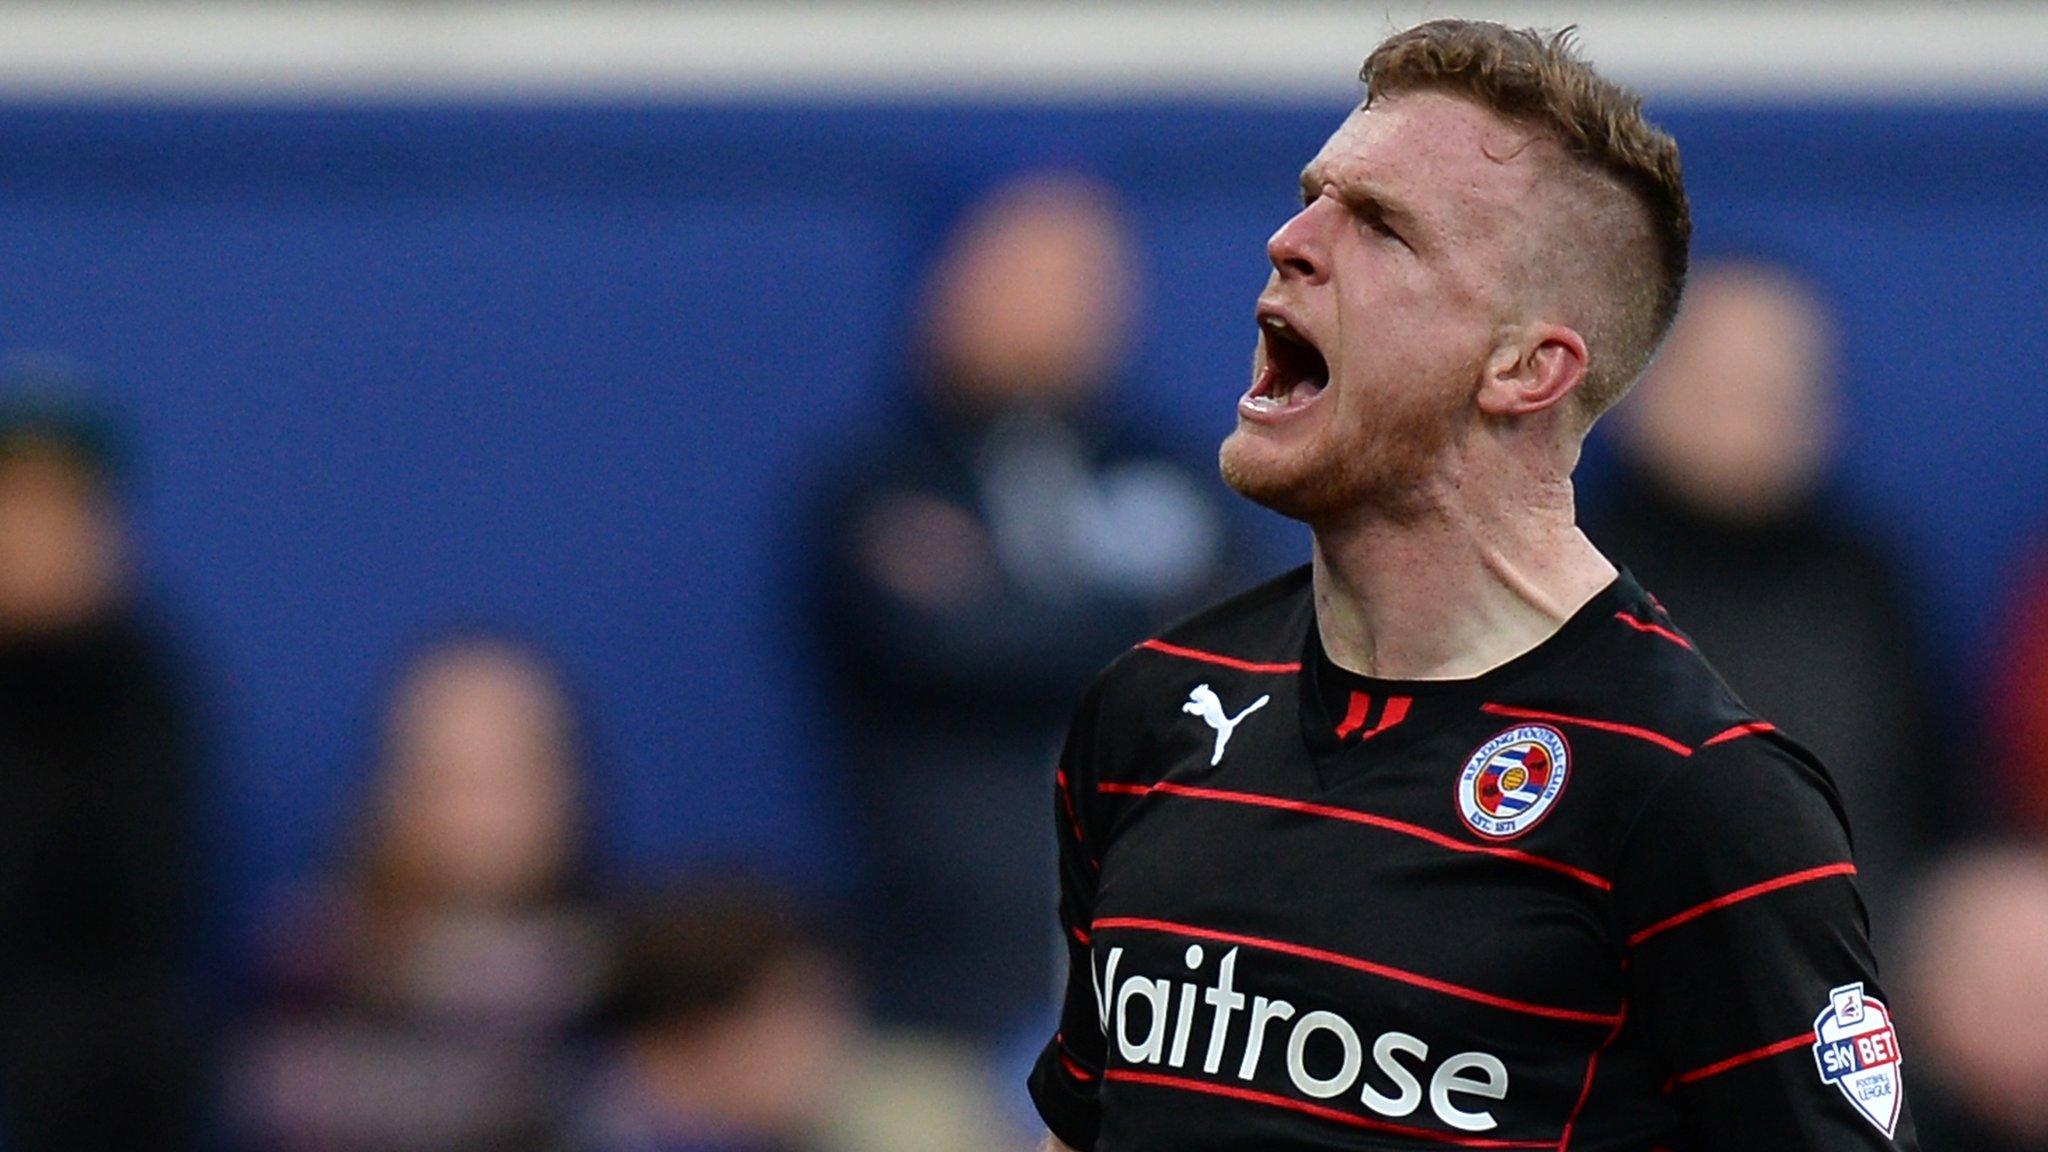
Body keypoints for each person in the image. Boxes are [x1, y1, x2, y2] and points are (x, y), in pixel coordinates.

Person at [1028, 20, 1916, 1151]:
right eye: (1312, 199)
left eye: (1380, 227)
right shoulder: (1153, 710)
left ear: (1525, 367)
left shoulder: (1694, 796)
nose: (1289, 241)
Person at [809, 171, 1245, 1043]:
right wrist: (1129, 618)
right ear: (945, 285)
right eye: (1021, 272)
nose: (1056, 307)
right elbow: (943, 651)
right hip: (944, 996)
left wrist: (1006, 601)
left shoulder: (1181, 475)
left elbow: (1230, 648)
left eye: (1084, 277)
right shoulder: (880, 486)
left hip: (1167, 995)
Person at [1582, 257, 1959, 936]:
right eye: (1720, 385)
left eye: (1781, 389)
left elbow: (1939, 820)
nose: (1752, 415)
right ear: (1632, 392)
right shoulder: (1561, 577)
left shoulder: (1866, 582)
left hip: (1854, 970)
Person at [232, 632, 608, 1152]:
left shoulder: (629, 979)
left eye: (506, 772)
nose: (478, 812)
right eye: (448, 774)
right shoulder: (313, 963)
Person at [0, 386, 211, 1152]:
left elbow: (140, 889)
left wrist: (64, 667)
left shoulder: (146, 685)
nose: (29, 536)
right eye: (11, 505)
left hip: (92, 1064)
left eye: (59, 509)